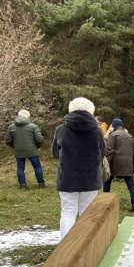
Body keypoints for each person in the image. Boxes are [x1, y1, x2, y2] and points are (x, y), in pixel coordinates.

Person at [51, 97, 106, 239]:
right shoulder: (98, 131)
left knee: (68, 212)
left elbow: (55, 153)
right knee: (87, 212)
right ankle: (84, 244)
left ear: (71, 110)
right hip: (91, 178)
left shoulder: (61, 130)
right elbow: (103, 153)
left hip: (67, 178)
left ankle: (65, 246)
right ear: (91, 111)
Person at [103, 117, 134, 212]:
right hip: (127, 165)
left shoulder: (113, 135)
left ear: (113, 126)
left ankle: (105, 204)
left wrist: (106, 166)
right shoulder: (130, 136)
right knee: (131, 185)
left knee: (107, 182)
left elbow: (109, 151)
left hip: (115, 164)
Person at [5, 109, 46, 190]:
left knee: (20, 168)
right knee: (37, 167)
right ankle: (41, 184)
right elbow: (39, 139)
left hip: (18, 150)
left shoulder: (11, 127)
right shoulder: (33, 126)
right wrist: (37, 146)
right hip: (32, 150)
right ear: (28, 116)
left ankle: (22, 185)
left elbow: (8, 140)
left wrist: (15, 146)